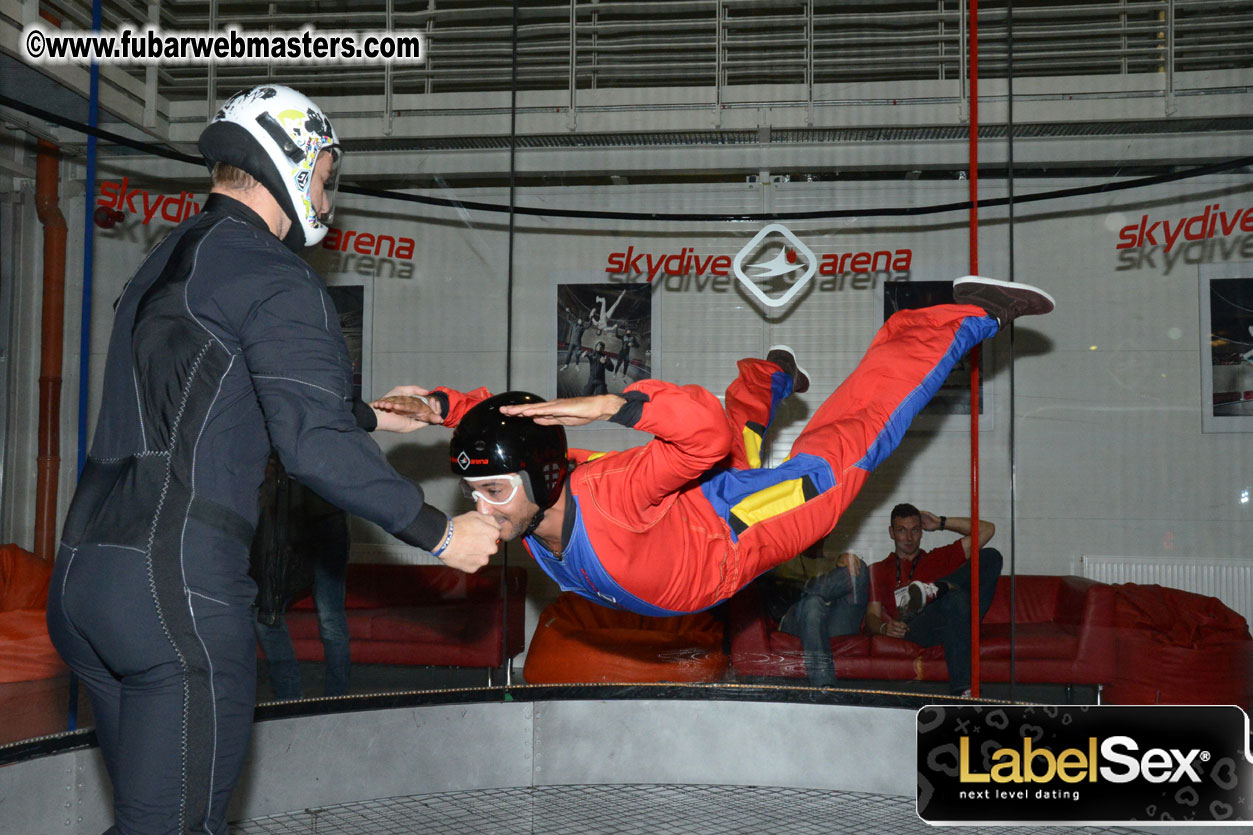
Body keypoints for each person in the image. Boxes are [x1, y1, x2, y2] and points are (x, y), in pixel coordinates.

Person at [46, 85, 499, 835]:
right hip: (176, 591)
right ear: (290, 158)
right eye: (326, 170)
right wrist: (441, 532)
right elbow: (311, 445)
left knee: (151, 818)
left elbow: (208, 389)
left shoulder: (171, 257)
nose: (330, 190)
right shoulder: (276, 275)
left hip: (87, 581)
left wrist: (370, 413)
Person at [375, 276, 1051, 619]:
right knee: (742, 454)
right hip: (690, 525)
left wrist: (620, 402)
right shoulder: (531, 495)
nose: (481, 508)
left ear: (543, 478)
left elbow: (701, 432)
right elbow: (509, 435)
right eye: (476, 492)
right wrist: (439, 409)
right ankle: (769, 377)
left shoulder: (608, 488)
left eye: (493, 491)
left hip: (736, 532)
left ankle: (959, 320)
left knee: (836, 462)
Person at [864, 503, 1003, 697]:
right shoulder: (878, 569)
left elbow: (988, 530)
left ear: (922, 532)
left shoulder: (938, 558)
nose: (909, 538)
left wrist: (940, 523)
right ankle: (965, 689)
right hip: (917, 626)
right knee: (955, 598)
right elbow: (872, 615)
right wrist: (884, 628)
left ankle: (937, 589)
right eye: (902, 531)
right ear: (891, 533)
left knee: (991, 557)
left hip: (958, 619)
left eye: (915, 530)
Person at [251, 455, 352, 700]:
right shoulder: (322, 433)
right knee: (270, 616)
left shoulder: (291, 433)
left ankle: (301, 697)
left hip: (303, 527)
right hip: (298, 527)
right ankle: (313, 698)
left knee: (271, 615)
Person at [765, 543, 867, 687]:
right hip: (796, 620)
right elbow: (776, 600)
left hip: (830, 622)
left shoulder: (834, 561)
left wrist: (843, 560)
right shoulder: (787, 558)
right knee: (812, 603)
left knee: (859, 568)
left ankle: (811, 591)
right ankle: (824, 686)